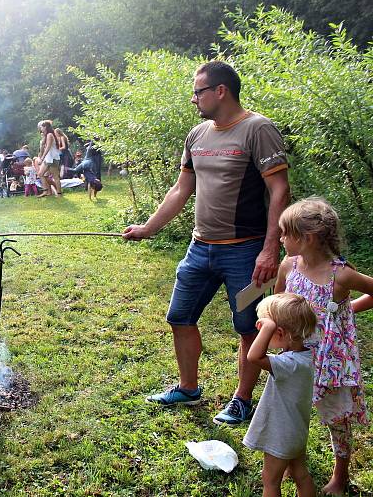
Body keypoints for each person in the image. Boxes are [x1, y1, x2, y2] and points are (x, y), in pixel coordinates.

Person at [123, 61, 291, 426]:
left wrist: (269, 249)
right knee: (179, 317)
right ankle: (188, 387)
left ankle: (241, 399)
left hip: (246, 252)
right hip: (200, 248)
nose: (193, 99)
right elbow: (182, 189)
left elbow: (279, 189)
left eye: (198, 92)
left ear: (220, 91)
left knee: (249, 325)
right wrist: (149, 228)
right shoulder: (197, 135)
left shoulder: (257, 129)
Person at [274, 197, 373, 494]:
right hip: (297, 354)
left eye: (284, 233)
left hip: (331, 358)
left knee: (337, 417)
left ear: (307, 238)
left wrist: (345, 310)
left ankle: (340, 476)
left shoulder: (340, 275)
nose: (280, 239)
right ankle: (295, 463)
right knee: (292, 410)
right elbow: (276, 304)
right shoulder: (288, 266)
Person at [243, 293, 317, 497]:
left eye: (266, 328)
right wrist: (270, 327)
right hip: (296, 432)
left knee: (270, 479)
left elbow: (253, 356)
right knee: (300, 474)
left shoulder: (288, 364)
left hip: (280, 435)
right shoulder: (305, 356)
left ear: (280, 332)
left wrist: (266, 328)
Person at [37, 120, 61, 198]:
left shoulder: (50, 135)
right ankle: (46, 191)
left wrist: (42, 158)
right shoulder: (46, 135)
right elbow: (42, 146)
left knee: (55, 177)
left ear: (45, 127)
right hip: (48, 159)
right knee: (40, 174)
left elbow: (48, 147)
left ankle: (59, 193)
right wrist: (43, 136)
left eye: (42, 127)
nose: (41, 128)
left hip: (53, 158)